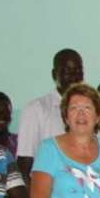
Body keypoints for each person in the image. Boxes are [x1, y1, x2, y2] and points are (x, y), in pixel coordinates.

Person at [17, 48, 84, 180]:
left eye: (78, 71)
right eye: (67, 71)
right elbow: (24, 163)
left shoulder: (88, 111)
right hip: (48, 194)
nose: (74, 77)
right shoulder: (36, 109)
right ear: (54, 75)